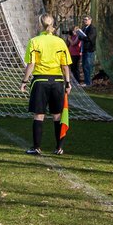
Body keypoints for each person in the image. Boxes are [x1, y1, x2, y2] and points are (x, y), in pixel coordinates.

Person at [20, 13, 73, 156]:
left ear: (40, 24)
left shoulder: (34, 41)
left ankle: (36, 147)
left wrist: (24, 81)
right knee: (57, 115)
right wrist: (68, 83)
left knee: (39, 115)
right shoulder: (60, 42)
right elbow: (65, 66)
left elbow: (31, 64)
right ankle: (59, 148)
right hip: (57, 82)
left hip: (40, 81)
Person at [77, 15, 96, 86]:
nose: (85, 21)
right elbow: (80, 37)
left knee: (87, 66)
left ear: (90, 20)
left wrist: (83, 37)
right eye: (84, 19)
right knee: (84, 66)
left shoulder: (92, 29)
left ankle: (88, 82)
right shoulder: (84, 28)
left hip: (89, 50)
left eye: (86, 19)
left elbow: (90, 38)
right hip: (84, 50)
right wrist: (80, 36)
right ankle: (86, 82)